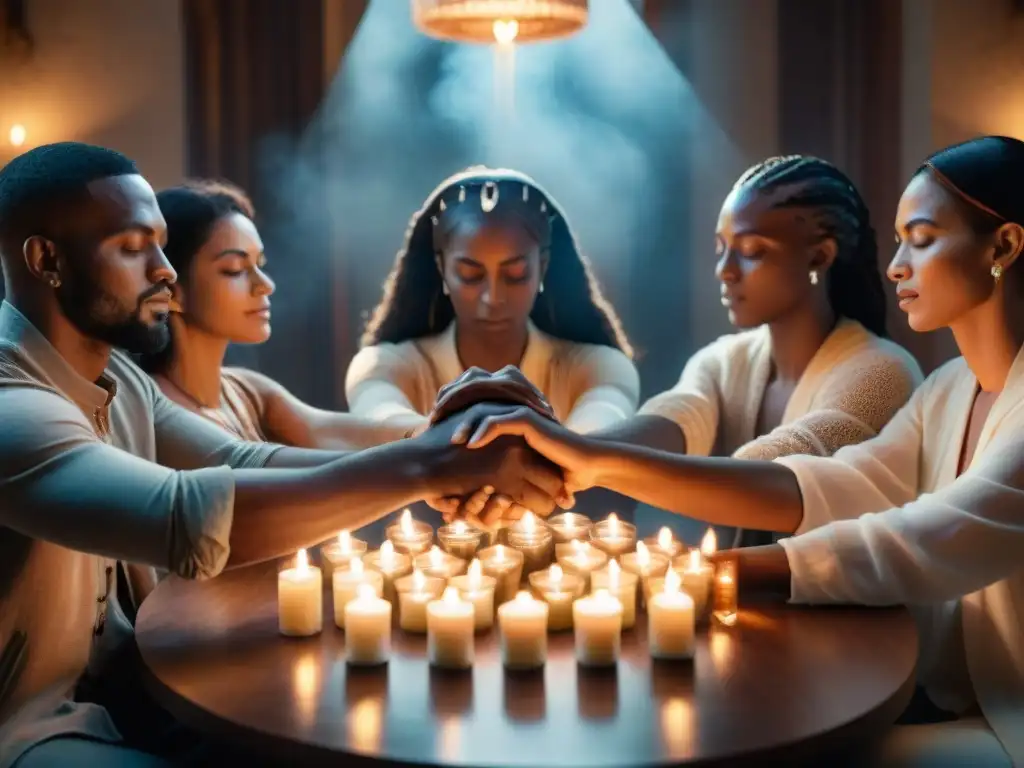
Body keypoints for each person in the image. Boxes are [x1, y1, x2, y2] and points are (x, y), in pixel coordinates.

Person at [447, 135, 1024, 766]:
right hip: (932, 692)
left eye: (921, 238)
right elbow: (837, 483)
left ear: (1003, 246)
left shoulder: (885, 374)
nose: (896, 266)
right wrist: (563, 455)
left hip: (1003, 716)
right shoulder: (947, 389)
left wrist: (707, 573)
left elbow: (915, 536)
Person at [0, 143, 563, 767]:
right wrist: (435, 464)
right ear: (46, 259)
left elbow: (242, 462)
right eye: (134, 248)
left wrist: (449, 444)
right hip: (37, 732)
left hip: (140, 692)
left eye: (162, 245)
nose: (165, 271)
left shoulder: (121, 380)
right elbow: (186, 513)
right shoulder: (12, 404)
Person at [346, 166, 639, 522]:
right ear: (442, 268)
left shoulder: (599, 366)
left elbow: (598, 429)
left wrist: (465, 457)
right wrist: (467, 451)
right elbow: (378, 418)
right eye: (470, 274)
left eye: (515, 274)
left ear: (543, 266)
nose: (492, 297)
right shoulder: (385, 364)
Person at [139, 180, 407, 450]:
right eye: (234, 269)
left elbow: (344, 433)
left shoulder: (247, 391)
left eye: (259, 264)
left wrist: (435, 427)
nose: (265, 285)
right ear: (170, 290)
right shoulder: (152, 407)